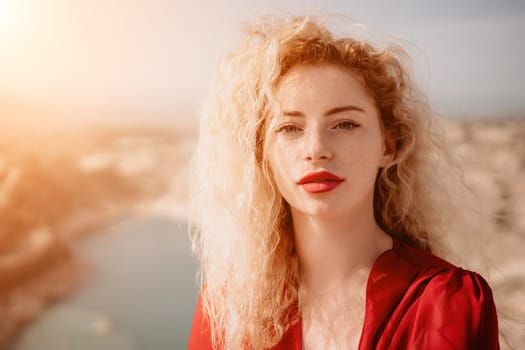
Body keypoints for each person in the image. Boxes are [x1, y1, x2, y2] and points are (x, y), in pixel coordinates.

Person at [188, 15, 499, 349]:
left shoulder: (447, 303)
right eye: (290, 128)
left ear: (388, 145)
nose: (316, 150)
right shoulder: (229, 308)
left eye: (345, 124)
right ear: (262, 153)